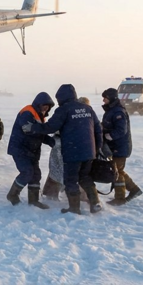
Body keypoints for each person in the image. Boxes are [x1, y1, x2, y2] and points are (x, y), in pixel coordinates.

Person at [24, 84, 102, 215]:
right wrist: (97, 148)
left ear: (61, 97)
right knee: (85, 177)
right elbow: (98, 130)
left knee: (70, 180)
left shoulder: (64, 110)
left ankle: (74, 208)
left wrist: (33, 128)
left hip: (73, 151)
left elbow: (50, 127)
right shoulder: (87, 109)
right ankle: (95, 203)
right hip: (89, 151)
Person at [6, 92, 55, 209]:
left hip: (32, 152)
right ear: (38, 104)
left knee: (36, 174)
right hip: (20, 149)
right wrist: (45, 134)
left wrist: (51, 141)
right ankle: (12, 195)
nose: (45, 108)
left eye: (47, 107)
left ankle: (34, 201)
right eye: (44, 105)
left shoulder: (40, 117)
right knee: (27, 172)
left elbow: (38, 133)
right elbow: (28, 130)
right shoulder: (27, 113)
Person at [42, 97, 90, 202]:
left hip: (67, 146)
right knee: (64, 171)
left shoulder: (71, 113)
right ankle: (81, 196)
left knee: (58, 170)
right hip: (68, 146)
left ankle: (51, 192)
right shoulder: (82, 115)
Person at [101, 88, 142, 205]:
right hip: (114, 147)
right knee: (119, 170)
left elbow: (121, 129)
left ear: (111, 98)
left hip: (119, 147)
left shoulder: (118, 112)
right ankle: (134, 190)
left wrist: (109, 136)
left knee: (117, 172)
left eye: (105, 98)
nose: (103, 100)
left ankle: (120, 198)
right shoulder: (111, 111)